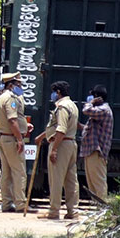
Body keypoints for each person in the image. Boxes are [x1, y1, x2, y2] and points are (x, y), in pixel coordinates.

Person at [36, 80, 80, 220]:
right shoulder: (72, 105)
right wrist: (43, 136)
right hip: (71, 144)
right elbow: (56, 127)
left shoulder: (61, 107)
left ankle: (54, 211)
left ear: (58, 92)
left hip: (61, 144)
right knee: (71, 180)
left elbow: (61, 129)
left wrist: (54, 149)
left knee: (56, 179)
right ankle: (72, 211)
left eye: (54, 92)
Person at [0, 71, 31, 212]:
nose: (20, 86)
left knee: (6, 173)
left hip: (4, 137)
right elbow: (12, 119)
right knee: (19, 171)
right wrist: (19, 139)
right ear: (11, 85)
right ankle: (21, 204)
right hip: (12, 138)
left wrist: (25, 126)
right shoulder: (10, 98)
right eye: (18, 84)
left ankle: (7, 203)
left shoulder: (1, 97)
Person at [79, 84, 114, 203]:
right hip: (91, 151)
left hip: (97, 151)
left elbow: (86, 110)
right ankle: (98, 208)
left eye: (92, 96)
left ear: (98, 97)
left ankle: (104, 209)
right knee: (92, 183)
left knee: (98, 182)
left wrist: (91, 102)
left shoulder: (103, 110)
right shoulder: (99, 111)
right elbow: (93, 129)